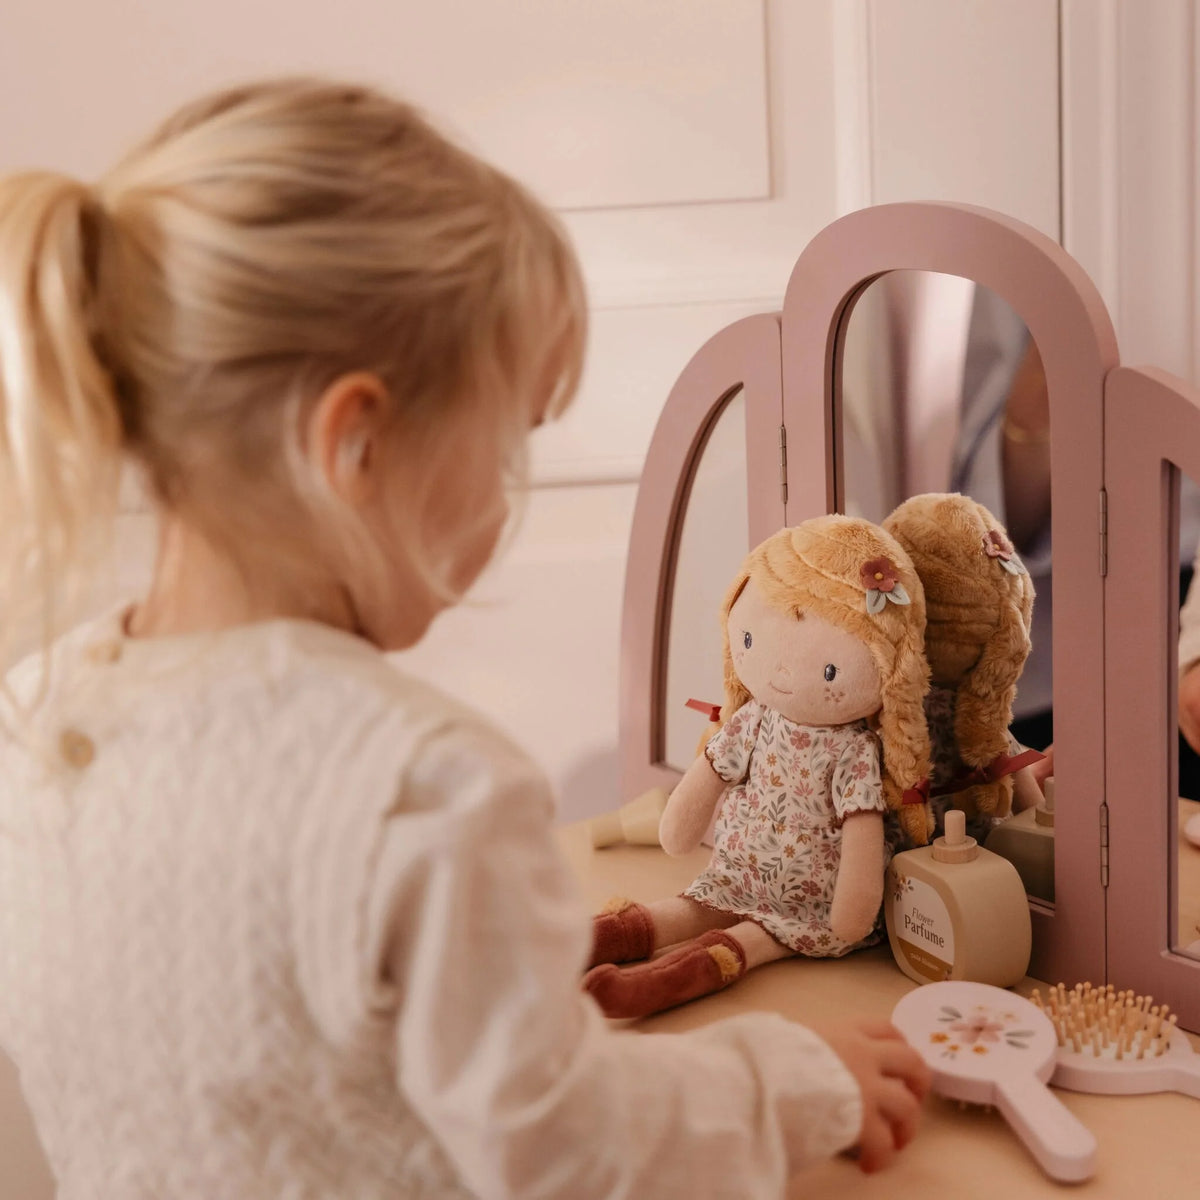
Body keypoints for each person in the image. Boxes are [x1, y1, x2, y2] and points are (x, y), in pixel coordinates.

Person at [0, 79, 929, 1197]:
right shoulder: (422, 787)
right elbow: (564, 1148)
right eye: (504, 447)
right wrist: (785, 1083)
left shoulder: (33, 713)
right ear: (355, 446)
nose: (504, 499)